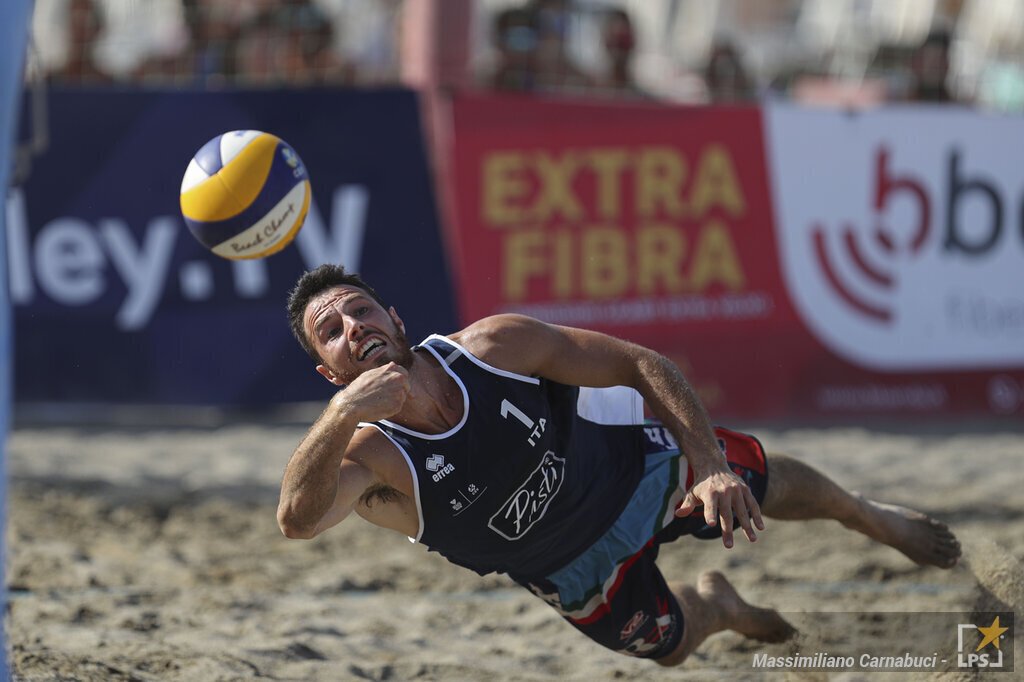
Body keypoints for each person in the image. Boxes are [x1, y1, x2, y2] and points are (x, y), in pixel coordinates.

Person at [278, 264, 962, 665]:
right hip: (572, 568)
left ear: (394, 318)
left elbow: (640, 365)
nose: (353, 329)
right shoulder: (371, 454)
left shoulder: (492, 346)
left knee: (760, 479)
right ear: (328, 372)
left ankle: (870, 516)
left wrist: (708, 464)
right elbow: (298, 523)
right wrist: (340, 420)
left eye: (359, 311)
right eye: (331, 332)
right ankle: (720, 607)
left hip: (636, 473)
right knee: (668, 647)